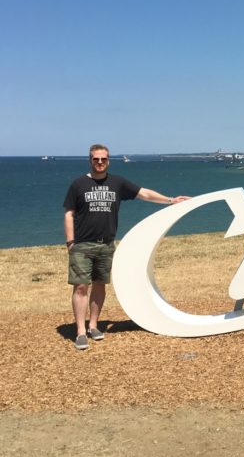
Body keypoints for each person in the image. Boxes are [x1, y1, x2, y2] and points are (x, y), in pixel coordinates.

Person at [64, 144, 190, 350]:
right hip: (82, 244)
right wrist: (70, 242)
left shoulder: (117, 183)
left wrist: (170, 200)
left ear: (108, 161)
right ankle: (80, 331)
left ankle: (93, 326)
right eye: (96, 159)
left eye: (103, 159)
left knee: (99, 285)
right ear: (90, 160)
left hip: (106, 244)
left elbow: (144, 194)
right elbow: (69, 213)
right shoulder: (78, 184)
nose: (99, 162)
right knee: (80, 287)